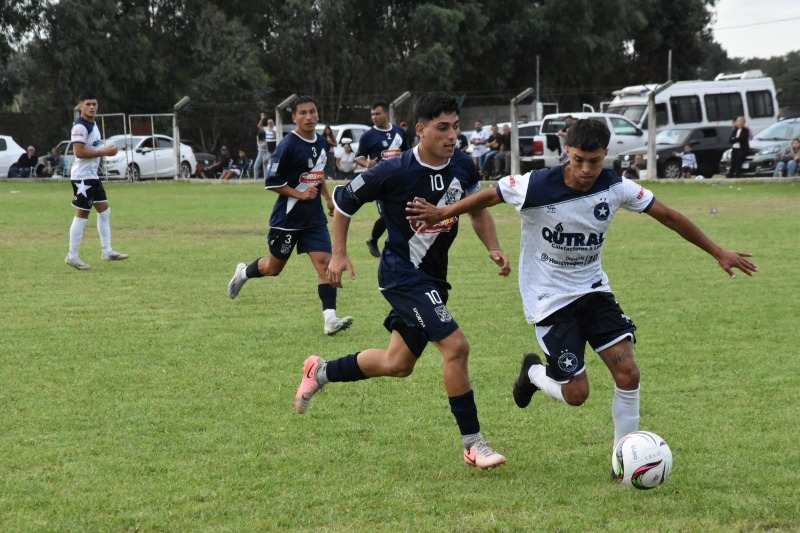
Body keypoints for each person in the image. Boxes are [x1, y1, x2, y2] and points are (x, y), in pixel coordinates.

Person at [406, 118, 757, 458]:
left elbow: (668, 216)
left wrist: (718, 252)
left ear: (606, 154)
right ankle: (532, 373)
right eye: (579, 160)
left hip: (593, 290)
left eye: (595, 161)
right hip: (550, 299)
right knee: (576, 394)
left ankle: (623, 457)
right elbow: (490, 196)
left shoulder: (616, 186)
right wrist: (445, 211)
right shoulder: (536, 184)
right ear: (567, 152)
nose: (587, 169)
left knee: (628, 371)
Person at [295, 92, 511, 470]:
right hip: (401, 276)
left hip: (433, 279)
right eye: (443, 128)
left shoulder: (462, 166)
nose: (452, 136)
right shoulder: (395, 171)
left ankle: (321, 371)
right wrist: (341, 253)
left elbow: (477, 209)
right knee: (456, 347)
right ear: (421, 130)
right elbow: (345, 201)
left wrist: (492, 246)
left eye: (456, 127)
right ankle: (474, 444)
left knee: (398, 364)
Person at [226, 95, 353, 336]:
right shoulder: (288, 145)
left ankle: (330, 319)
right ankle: (243, 272)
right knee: (273, 268)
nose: (309, 117)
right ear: (294, 118)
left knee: (325, 264)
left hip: (314, 219)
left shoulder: (321, 143)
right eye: (303, 113)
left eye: (312, 112)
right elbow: (271, 182)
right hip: (288, 219)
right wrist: (299, 194)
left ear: (317, 114)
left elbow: (317, 173)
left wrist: (327, 198)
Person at [65, 92, 129, 270]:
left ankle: (107, 250)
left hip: (92, 175)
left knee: (104, 211)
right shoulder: (80, 126)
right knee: (82, 214)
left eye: (94, 104)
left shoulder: (93, 124)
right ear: (81, 106)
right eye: (88, 104)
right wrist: (104, 152)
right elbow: (79, 152)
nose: (92, 107)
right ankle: (72, 255)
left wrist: (104, 151)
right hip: (82, 177)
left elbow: (91, 147)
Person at [355, 102, 410, 258]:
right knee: (387, 214)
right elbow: (358, 157)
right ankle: (374, 240)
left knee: (404, 212)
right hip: (380, 182)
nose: (374, 117)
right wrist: (367, 164)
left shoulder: (399, 132)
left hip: (400, 181)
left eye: (377, 114)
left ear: (386, 114)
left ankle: (400, 245)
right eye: (372, 114)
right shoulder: (368, 136)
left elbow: (408, 153)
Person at [254, 114, 277, 180]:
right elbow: (259, 126)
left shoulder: (275, 128)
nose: (269, 124)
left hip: (275, 149)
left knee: (274, 164)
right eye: (268, 123)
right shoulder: (266, 128)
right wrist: (262, 119)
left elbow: (276, 136)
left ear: (273, 123)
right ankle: (266, 179)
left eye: (271, 123)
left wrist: (271, 130)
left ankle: (273, 178)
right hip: (269, 150)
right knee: (265, 163)